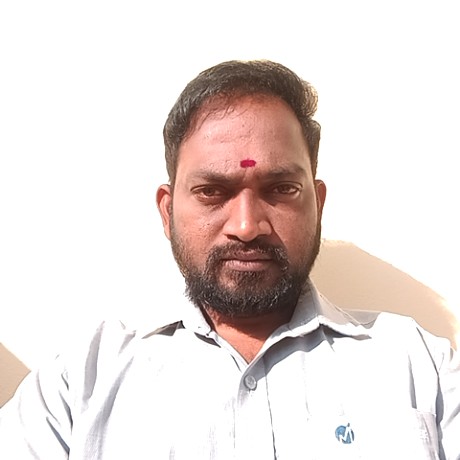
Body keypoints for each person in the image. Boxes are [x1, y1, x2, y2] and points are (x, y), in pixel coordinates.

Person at [0, 59, 459, 459]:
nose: (246, 225)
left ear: (317, 205)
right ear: (167, 211)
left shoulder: (424, 369)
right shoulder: (77, 386)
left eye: (281, 189)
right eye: (211, 192)